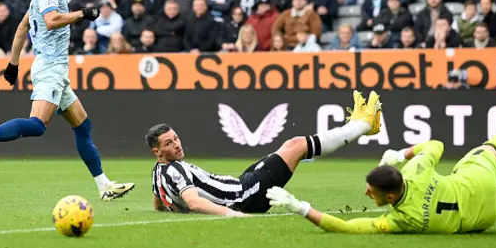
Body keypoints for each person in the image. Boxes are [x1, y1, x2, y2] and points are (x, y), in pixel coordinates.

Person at [0, 0, 134, 201]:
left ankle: (103, 185)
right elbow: (52, 20)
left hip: (54, 69)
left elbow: (22, 27)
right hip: (50, 68)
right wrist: (82, 14)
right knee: (38, 126)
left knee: (83, 126)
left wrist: (13, 63)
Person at [267, 110, 496, 233]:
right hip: (478, 184)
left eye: (372, 192)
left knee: (492, 198)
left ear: (392, 195)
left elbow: (344, 228)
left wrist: (299, 206)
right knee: (490, 149)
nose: (366, 193)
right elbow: (436, 144)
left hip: (482, 219)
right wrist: (401, 154)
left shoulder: (400, 220)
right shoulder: (417, 169)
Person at [149, 90, 382, 215]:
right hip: (243, 198)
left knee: (289, 147)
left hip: (241, 185)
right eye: (169, 143)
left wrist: (170, 209)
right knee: (296, 145)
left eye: (176, 138)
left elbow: (158, 202)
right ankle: (363, 125)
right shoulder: (176, 169)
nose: (177, 144)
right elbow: (194, 203)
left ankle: (358, 125)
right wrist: (234, 215)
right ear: (157, 151)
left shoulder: (158, 171)